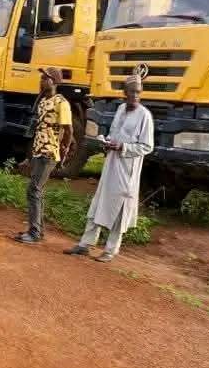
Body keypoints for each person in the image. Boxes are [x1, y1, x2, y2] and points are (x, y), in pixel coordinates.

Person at [64, 73, 154, 263]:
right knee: (99, 203)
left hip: (127, 169)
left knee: (120, 208)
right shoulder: (121, 109)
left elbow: (147, 146)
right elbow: (114, 133)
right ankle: (85, 244)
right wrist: (107, 143)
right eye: (132, 92)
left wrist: (123, 147)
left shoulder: (145, 115)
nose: (135, 96)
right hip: (111, 164)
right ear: (124, 93)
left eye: (138, 92)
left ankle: (111, 250)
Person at [14, 67, 73, 244]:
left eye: (44, 78)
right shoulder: (42, 102)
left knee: (34, 190)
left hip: (49, 153)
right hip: (39, 152)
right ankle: (37, 230)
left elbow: (68, 130)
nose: (41, 81)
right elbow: (38, 131)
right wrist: (30, 156)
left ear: (53, 81)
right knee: (37, 191)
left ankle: (34, 232)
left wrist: (64, 151)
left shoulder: (61, 103)